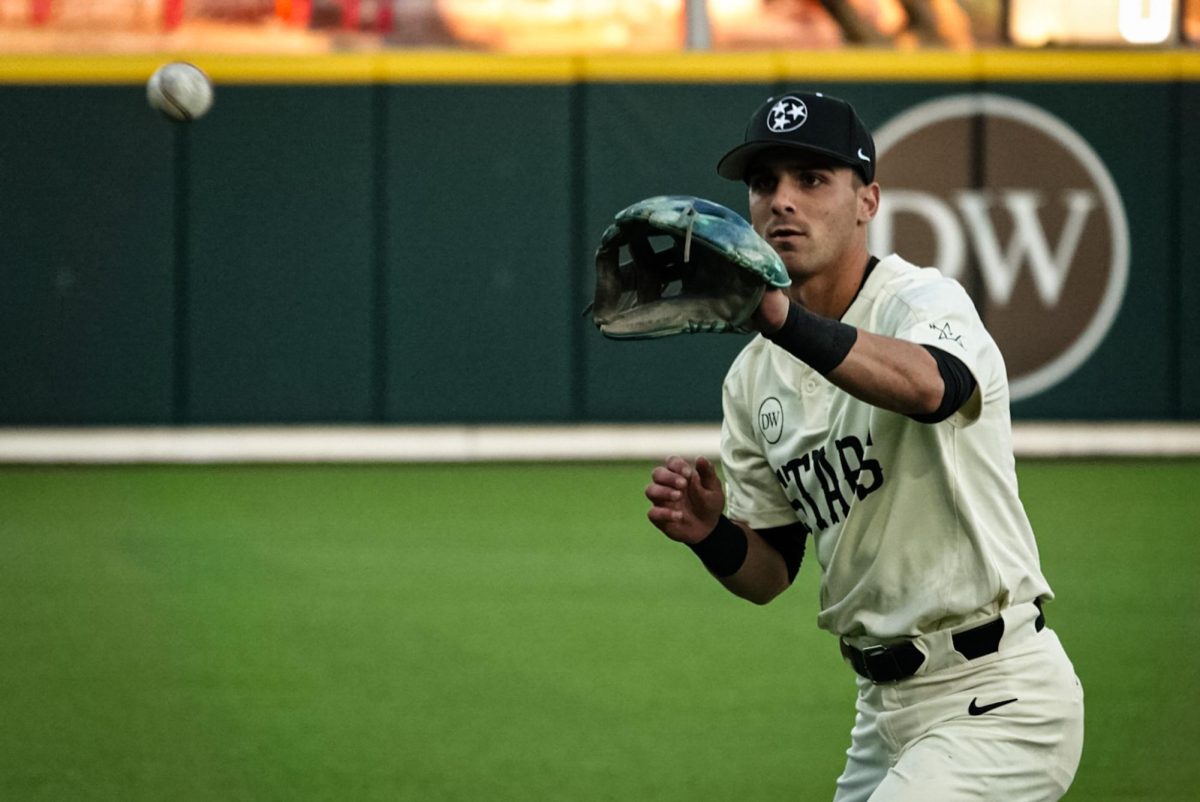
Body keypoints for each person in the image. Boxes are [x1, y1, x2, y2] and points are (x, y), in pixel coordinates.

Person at [643, 90, 1084, 801]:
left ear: (868, 200)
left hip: (999, 695)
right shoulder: (752, 379)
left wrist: (783, 320)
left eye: (811, 179)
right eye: (765, 183)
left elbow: (930, 387)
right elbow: (770, 574)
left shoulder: (924, 302)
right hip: (882, 713)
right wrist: (710, 535)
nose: (782, 201)